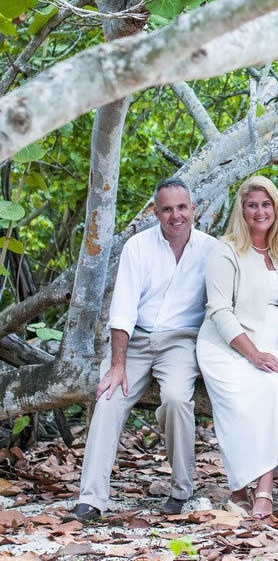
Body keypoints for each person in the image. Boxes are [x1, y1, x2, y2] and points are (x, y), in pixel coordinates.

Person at [66, 179, 216, 524]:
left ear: (193, 209)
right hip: (134, 341)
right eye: (167, 209)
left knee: (177, 399)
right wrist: (117, 365)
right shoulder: (138, 247)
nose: (175, 215)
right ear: (155, 212)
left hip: (181, 340)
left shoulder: (212, 250)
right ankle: (91, 500)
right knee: (107, 401)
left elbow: (221, 305)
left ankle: (181, 490)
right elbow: (123, 310)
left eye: (181, 207)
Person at [196, 176, 278, 520]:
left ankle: (262, 488)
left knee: (272, 385)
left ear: (276, 207)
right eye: (252, 205)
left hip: (275, 346)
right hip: (227, 347)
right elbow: (218, 310)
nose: (260, 211)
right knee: (240, 404)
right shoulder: (226, 250)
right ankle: (239, 486)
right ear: (241, 210)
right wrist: (252, 354)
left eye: (266, 204)